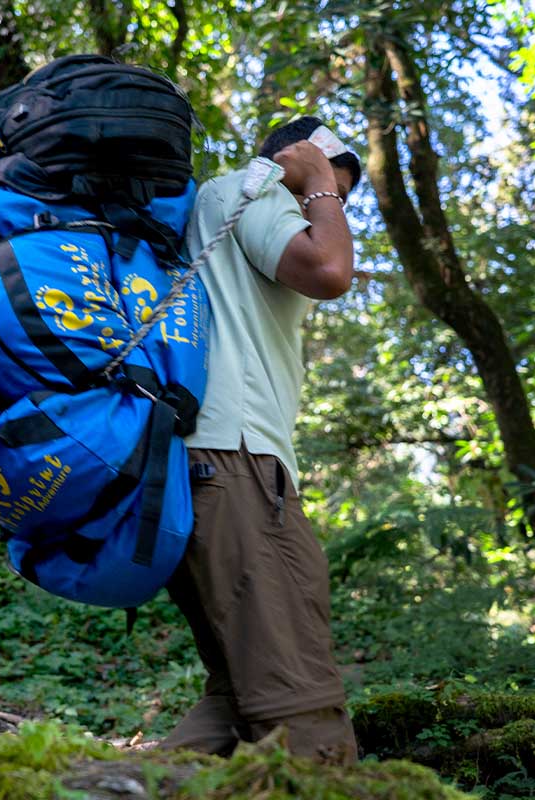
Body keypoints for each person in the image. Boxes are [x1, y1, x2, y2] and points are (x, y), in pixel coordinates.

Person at [160, 116, 361, 764]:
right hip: (237, 460)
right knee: (300, 701)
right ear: (295, 160)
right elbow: (331, 269)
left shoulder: (240, 207)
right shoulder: (254, 191)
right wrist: (318, 184)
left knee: (240, 698)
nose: (330, 205)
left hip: (220, 467)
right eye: (329, 183)